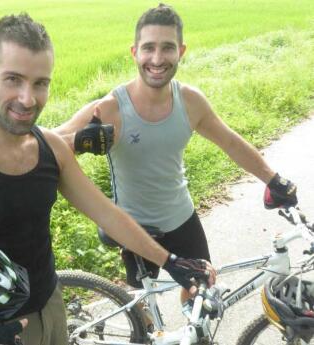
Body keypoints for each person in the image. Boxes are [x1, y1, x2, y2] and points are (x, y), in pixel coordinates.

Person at [0, 13, 214, 345]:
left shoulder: (49, 148)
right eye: (13, 79)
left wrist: (170, 261)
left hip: (52, 308)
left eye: (40, 83)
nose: (28, 99)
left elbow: (107, 214)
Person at [54, 3, 298, 302]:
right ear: (135, 52)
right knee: (141, 306)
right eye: (149, 48)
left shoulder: (190, 102)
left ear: (181, 51)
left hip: (182, 218)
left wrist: (273, 179)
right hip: (134, 228)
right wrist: (78, 141)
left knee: (202, 295)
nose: (157, 59)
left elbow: (231, 143)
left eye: (167, 48)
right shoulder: (110, 108)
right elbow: (49, 143)